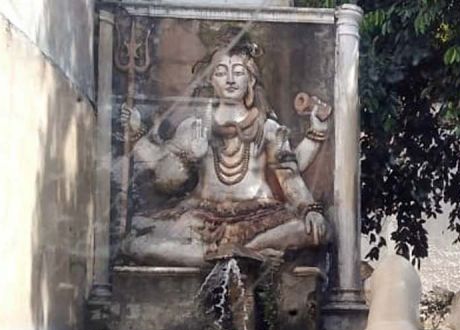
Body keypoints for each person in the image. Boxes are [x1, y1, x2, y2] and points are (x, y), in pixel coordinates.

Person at [121, 36, 330, 266]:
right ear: (211, 80)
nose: (230, 80)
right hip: (202, 219)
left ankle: (245, 251)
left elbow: (290, 178)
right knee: (136, 244)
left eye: (238, 72)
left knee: (316, 230)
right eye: (221, 72)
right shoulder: (195, 126)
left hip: (262, 218)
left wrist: (310, 209)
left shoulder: (268, 128)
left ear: (251, 80)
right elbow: (165, 177)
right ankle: (229, 256)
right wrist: (148, 140)